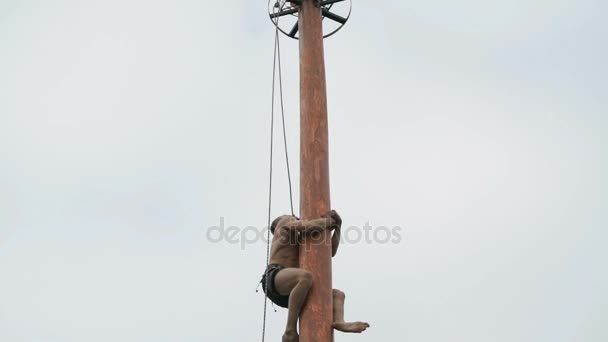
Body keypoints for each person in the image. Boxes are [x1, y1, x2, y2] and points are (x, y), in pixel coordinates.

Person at [261, 210, 369, 342]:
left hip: (294, 289)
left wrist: (338, 228)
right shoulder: (283, 223)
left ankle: (339, 321)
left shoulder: (301, 238)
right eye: (289, 215)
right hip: (276, 277)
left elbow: (330, 251)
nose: (293, 216)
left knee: (337, 295)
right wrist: (330, 222)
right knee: (305, 277)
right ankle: (290, 330)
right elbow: (307, 226)